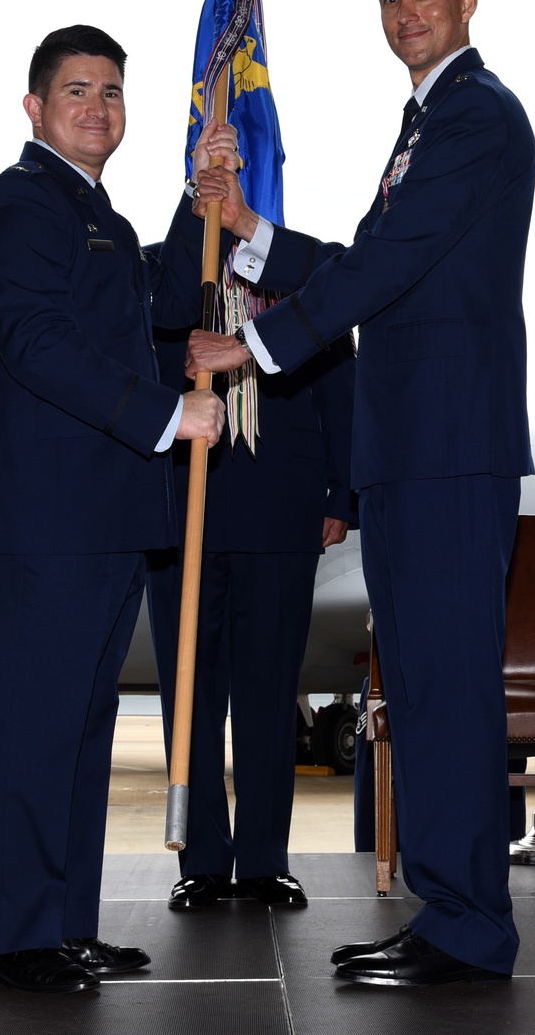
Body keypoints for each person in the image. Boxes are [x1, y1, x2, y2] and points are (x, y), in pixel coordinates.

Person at [186, 0, 535, 987]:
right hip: (413, 447)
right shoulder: (425, 120)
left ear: (467, 0)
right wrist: (247, 228)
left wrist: (249, 345)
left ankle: (471, 924)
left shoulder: (476, 115)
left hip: (444, 446)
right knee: (423, 688)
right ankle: (449, 913)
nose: (404, 13)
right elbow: (364, 262)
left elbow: (379, 268)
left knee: (447, 686)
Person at [0, 25, 229, 995]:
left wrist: (204, 197)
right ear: (35, 106)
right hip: (45, 517)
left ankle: (61, 921)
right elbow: (31, 340)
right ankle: (10, 934)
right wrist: (163, 410)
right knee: (34, 725)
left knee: (80, 728)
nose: (98, 107)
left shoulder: (89, 210)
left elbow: (155, 300)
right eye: (77, 89)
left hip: (103, 515)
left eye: (111, 91)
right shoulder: (21, 205)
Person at [146, 308, 357, 910]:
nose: (218, 204)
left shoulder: (304, 284)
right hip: (180, 504)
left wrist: (341, 492)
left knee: (271, 694)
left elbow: (338, 381)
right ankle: (203, 862)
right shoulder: (164, 278)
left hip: (282, 502)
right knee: (190, 693)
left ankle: (265, 861)